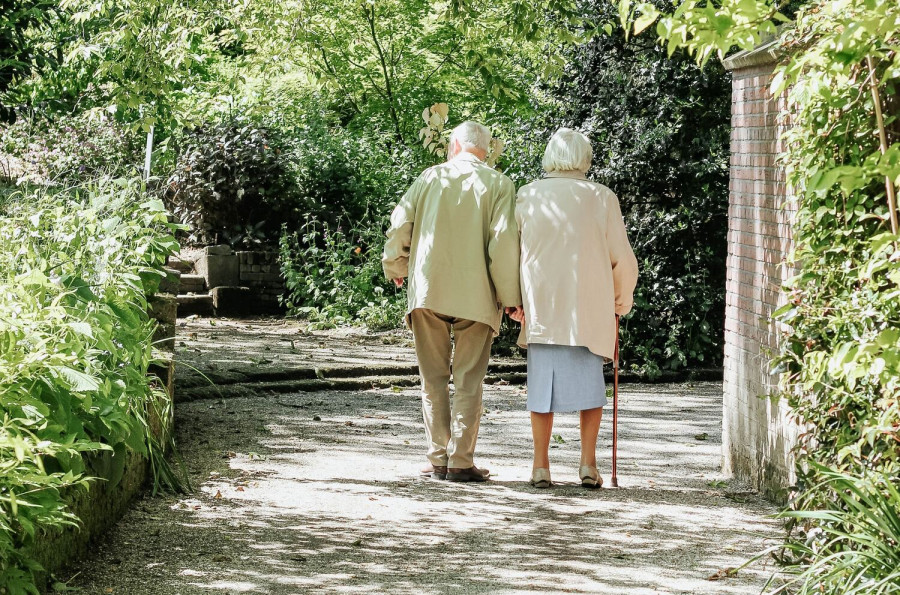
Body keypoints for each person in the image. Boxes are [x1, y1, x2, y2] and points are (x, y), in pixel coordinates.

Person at [382, 121, 522, 483]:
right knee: (468, 380)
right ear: (486, 150)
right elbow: (503, 244)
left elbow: (401, 225)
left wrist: (395, 264)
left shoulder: (429, 178)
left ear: (454, 145)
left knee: (432, 378)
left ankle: (437, 458)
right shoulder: (500, 184)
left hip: (429, 290)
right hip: (477, 295)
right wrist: (511, 298)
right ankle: (460, 461)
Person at [510, 128, 638, 489]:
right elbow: (623, 260)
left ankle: (540, 465)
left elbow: (512, 253)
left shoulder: (528, 195)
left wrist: (514, 300)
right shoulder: (601, 197)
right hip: (589, 308)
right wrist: (620, 301)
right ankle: (587, 464)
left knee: (540, 389)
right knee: (591, 389)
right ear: (585, 158)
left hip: (543, 306)